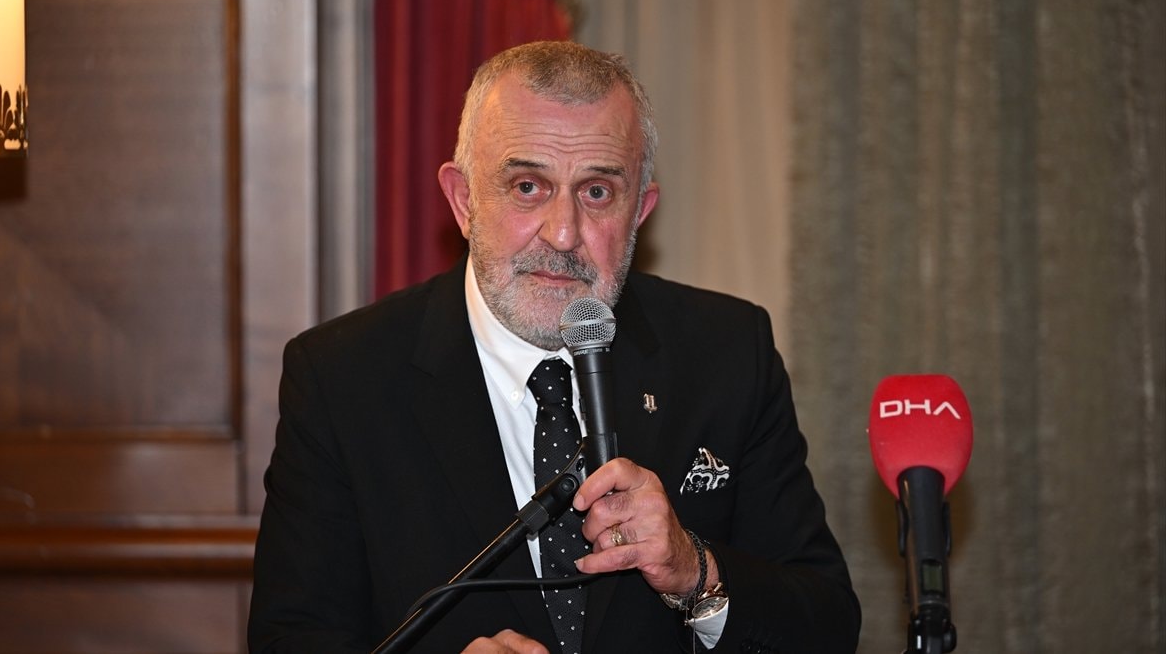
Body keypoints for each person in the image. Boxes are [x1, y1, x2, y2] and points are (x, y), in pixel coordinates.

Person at [248, 40, 860, 653]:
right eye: (527, 186)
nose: (564, 234)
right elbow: (290, 638)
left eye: (597, 192)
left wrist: (696, 570)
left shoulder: (726, 354)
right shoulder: (342, 377)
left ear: (640, 211)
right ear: (464, 201)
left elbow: (828, 625)